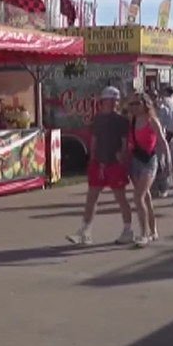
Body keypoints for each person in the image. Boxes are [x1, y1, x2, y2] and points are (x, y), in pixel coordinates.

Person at [66, 86, 134, 245]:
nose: (111, 103)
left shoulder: (122, 121)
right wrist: (92, 159)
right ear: (103, 101)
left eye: (114, 100)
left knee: (120, 198)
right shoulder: (97, 119)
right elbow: (94, 140)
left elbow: (125, 143)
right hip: (98, 163)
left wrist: (123, 159)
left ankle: (128, 230)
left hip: (115, 164)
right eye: (109, 100)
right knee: (91, 197)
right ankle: (85, 231)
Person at [126, 92, 169, 246]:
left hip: (149, 162)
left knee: (138, 197)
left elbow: (162, 141)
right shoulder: (131, 121)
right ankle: (153, 230)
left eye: (137, 103)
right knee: (146, 198)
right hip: (134, 162)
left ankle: (143, 234)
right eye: (132, 104)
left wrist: (167, 160)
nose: (134, 107)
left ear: (145, 104)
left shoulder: (152, 121)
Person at [153, 85, 173, 197]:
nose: (153, 98)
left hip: (161, 139)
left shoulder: (164, 108)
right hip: (150, 141)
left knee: (162, 164)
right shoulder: (147, 110)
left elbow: (169, 126)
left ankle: (163, 187)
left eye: (155, 96)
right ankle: (154, 188)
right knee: (153, 164)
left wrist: (168, 139)